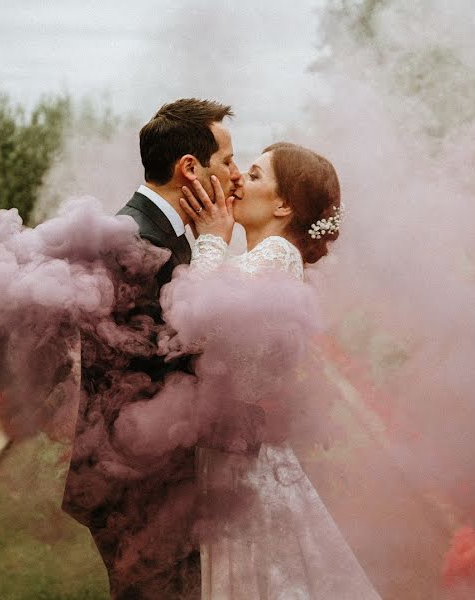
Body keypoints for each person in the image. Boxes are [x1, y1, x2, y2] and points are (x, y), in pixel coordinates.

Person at [180, 143, 381, 599]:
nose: (237, 181)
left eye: (252, 176)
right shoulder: (261, 259)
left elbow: (198, 320)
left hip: (238, 458)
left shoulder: (277, 254)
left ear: (283, 204)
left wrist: (211, 236)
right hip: (235, 452)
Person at [61, 98, 243, 599]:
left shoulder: (163, 233)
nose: (235, 174)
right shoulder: (136, 243)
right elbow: (171, 353)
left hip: (154, 476)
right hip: (138, 486)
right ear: (190, 167)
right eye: (226, 160)